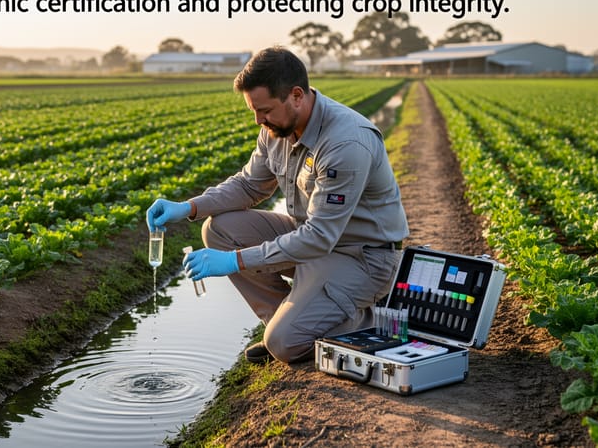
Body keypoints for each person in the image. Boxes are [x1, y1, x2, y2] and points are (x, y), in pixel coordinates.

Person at [146, 46, 408, 364]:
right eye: (254, 111)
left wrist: (235, 261)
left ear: (296, 95)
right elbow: (248, 185)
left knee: (285, 344)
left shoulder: (345, 143)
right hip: (310, 241)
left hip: (360, 257)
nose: (259, 120)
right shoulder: (276, 129)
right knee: (220, 229)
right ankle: (283, 321)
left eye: (265, 110)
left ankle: (380, 321)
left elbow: (319, 237)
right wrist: (187, 207)